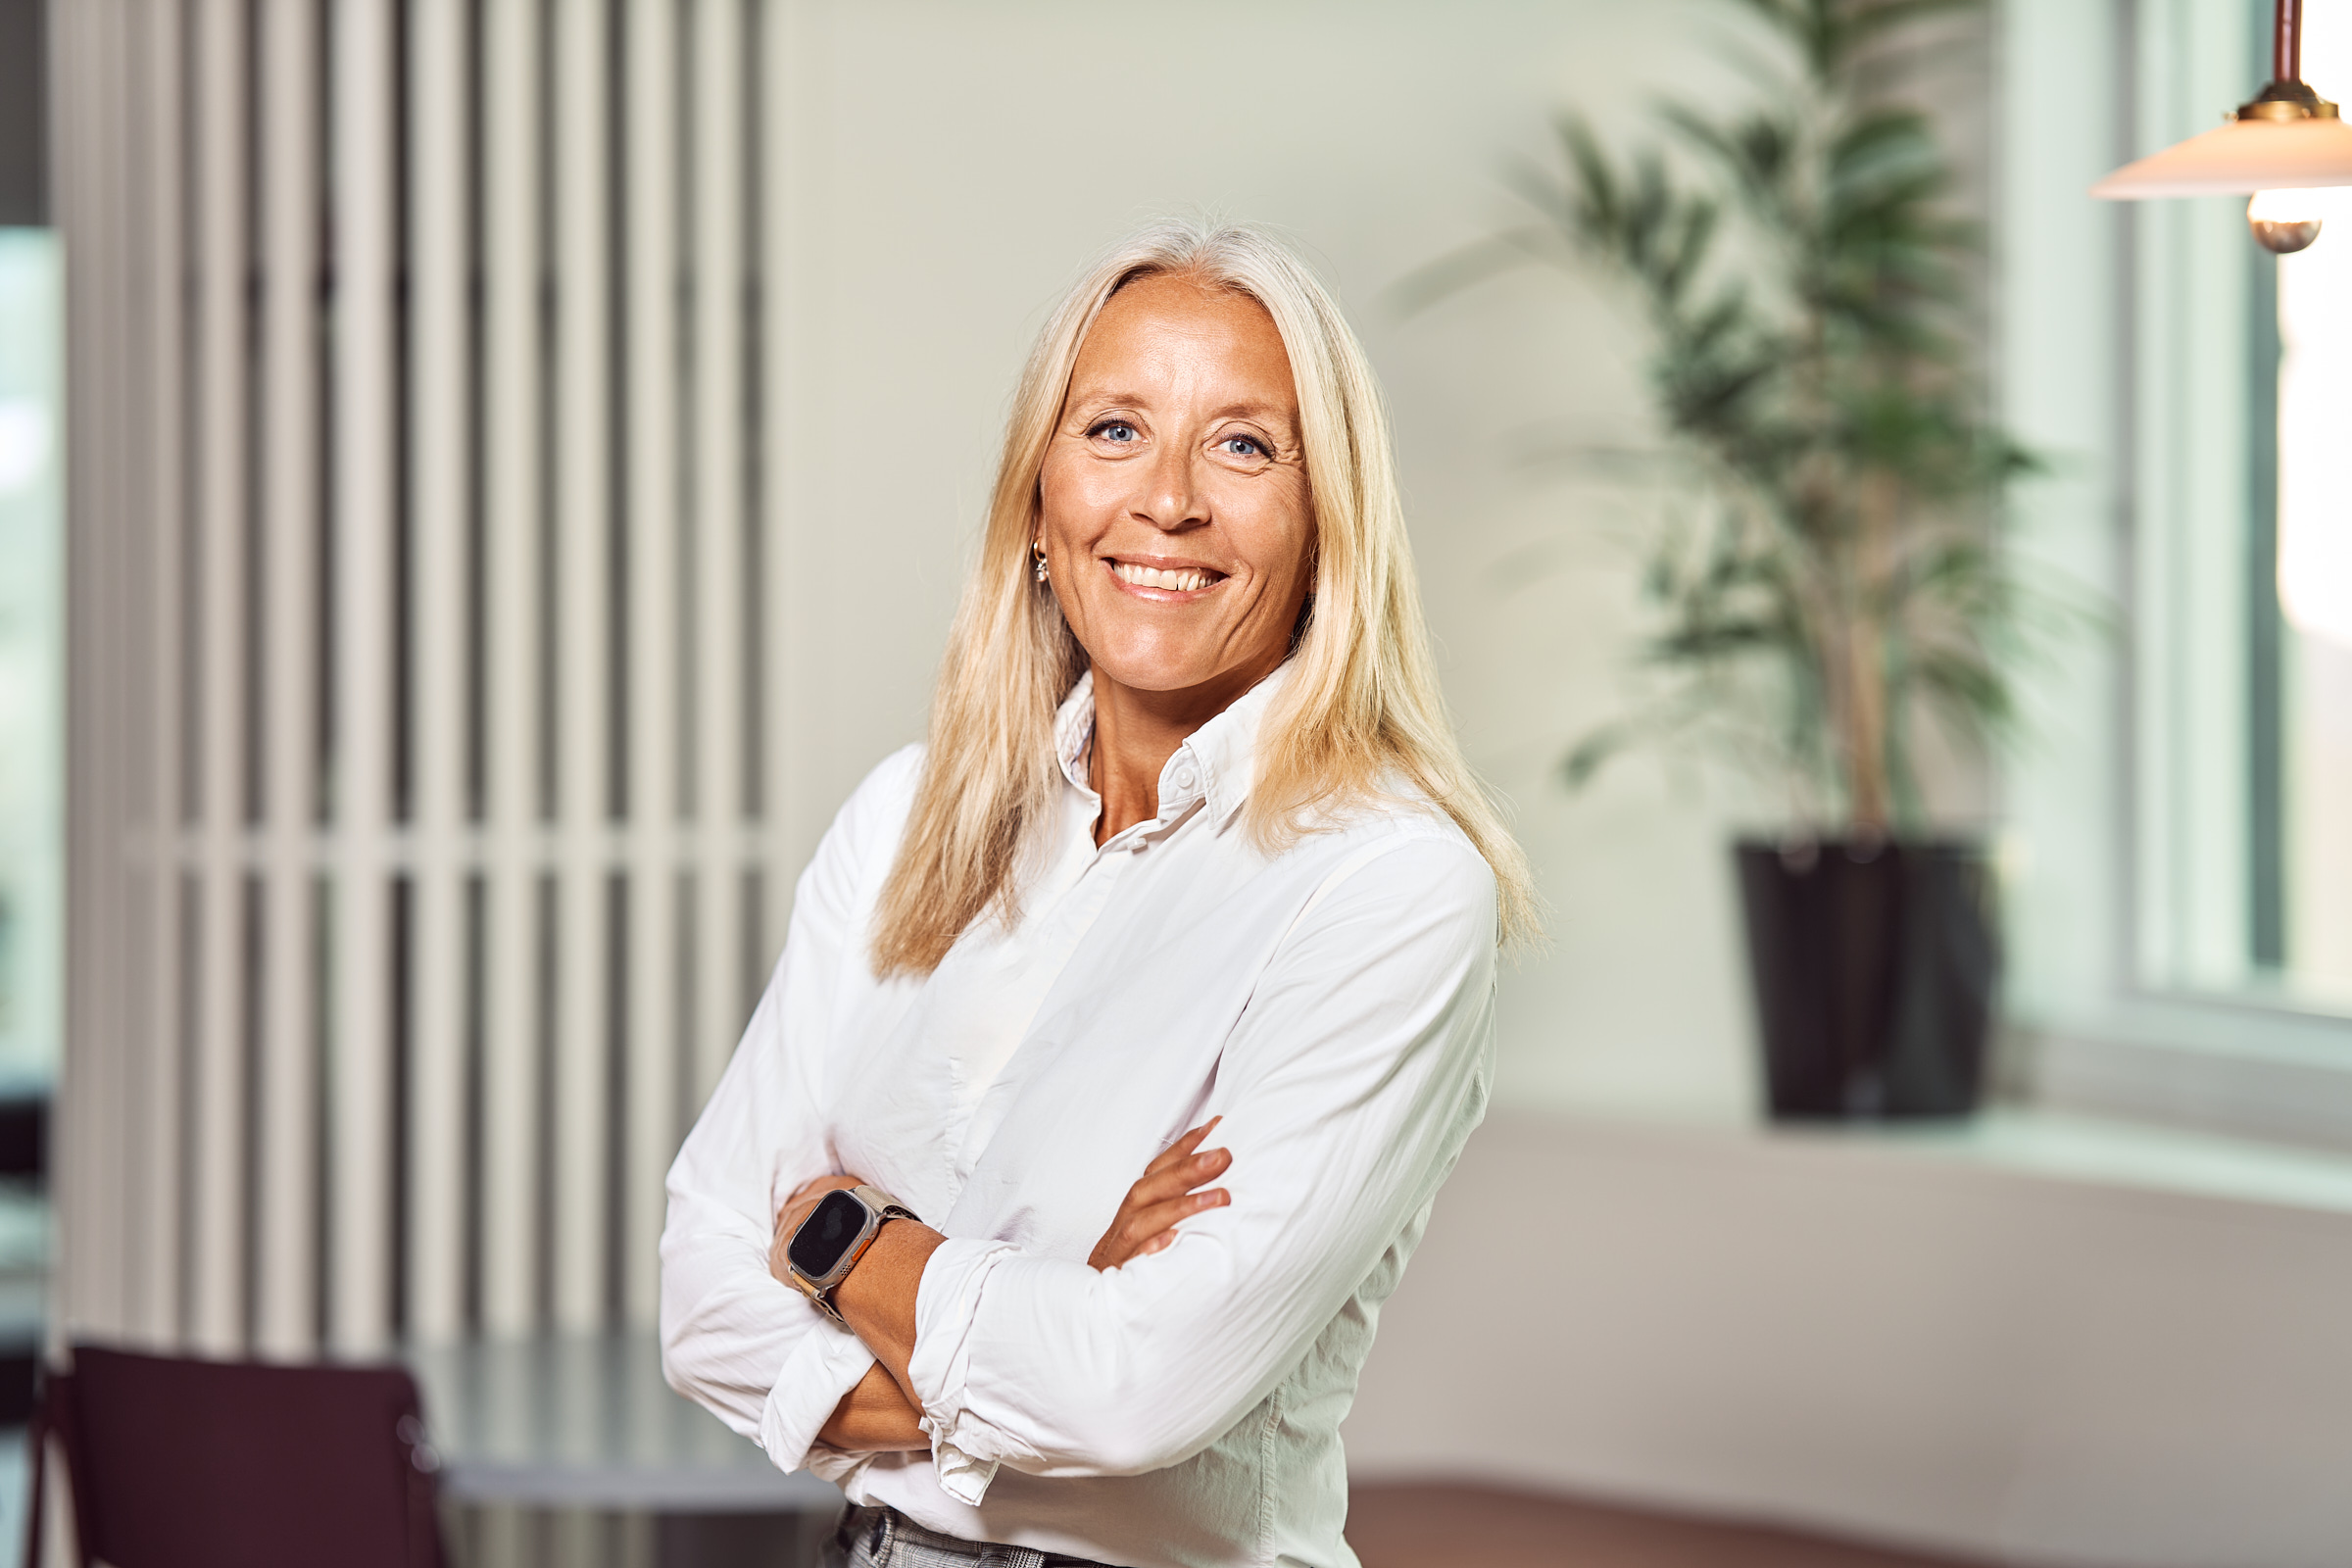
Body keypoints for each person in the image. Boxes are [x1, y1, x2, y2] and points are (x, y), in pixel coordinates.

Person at [660, 218, 1538, 1568]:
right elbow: (701, 1291)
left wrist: (840, 1241)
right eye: (1115, 430)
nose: (1168, 500)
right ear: (1035, 505)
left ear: (1324, 526)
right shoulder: (906, 818)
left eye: (1244, 445)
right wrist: (1050, 1294)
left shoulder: (1391, 884)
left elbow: (1132, 1396)